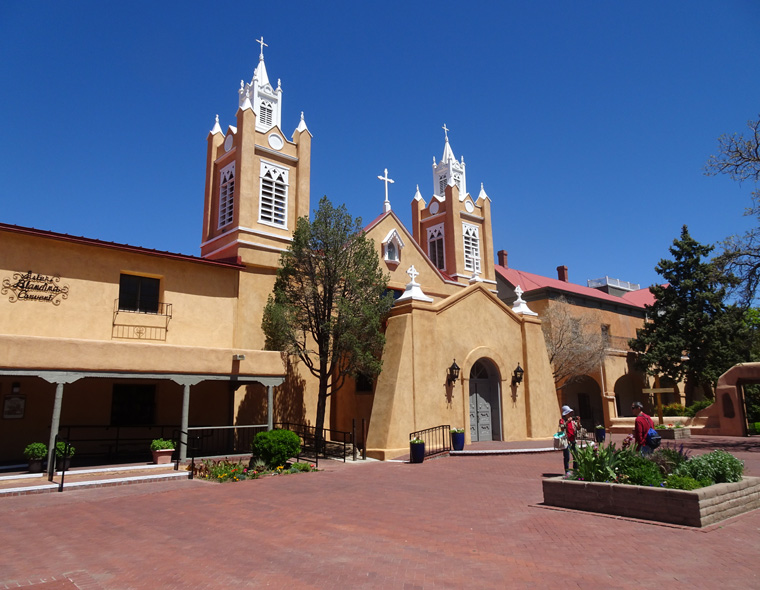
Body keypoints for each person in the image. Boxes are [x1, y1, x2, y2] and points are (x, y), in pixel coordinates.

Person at [559, 405, 576, 474]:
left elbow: (576, 428)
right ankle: (567, 471)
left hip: (573, 439)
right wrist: (567, 422)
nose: (570, 414)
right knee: (567, 456)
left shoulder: (572, 421)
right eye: (569, 413)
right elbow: (562, 428)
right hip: (566, 440)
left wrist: (578, 423)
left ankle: (575, 469)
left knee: (576, 455)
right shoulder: (562, 420)